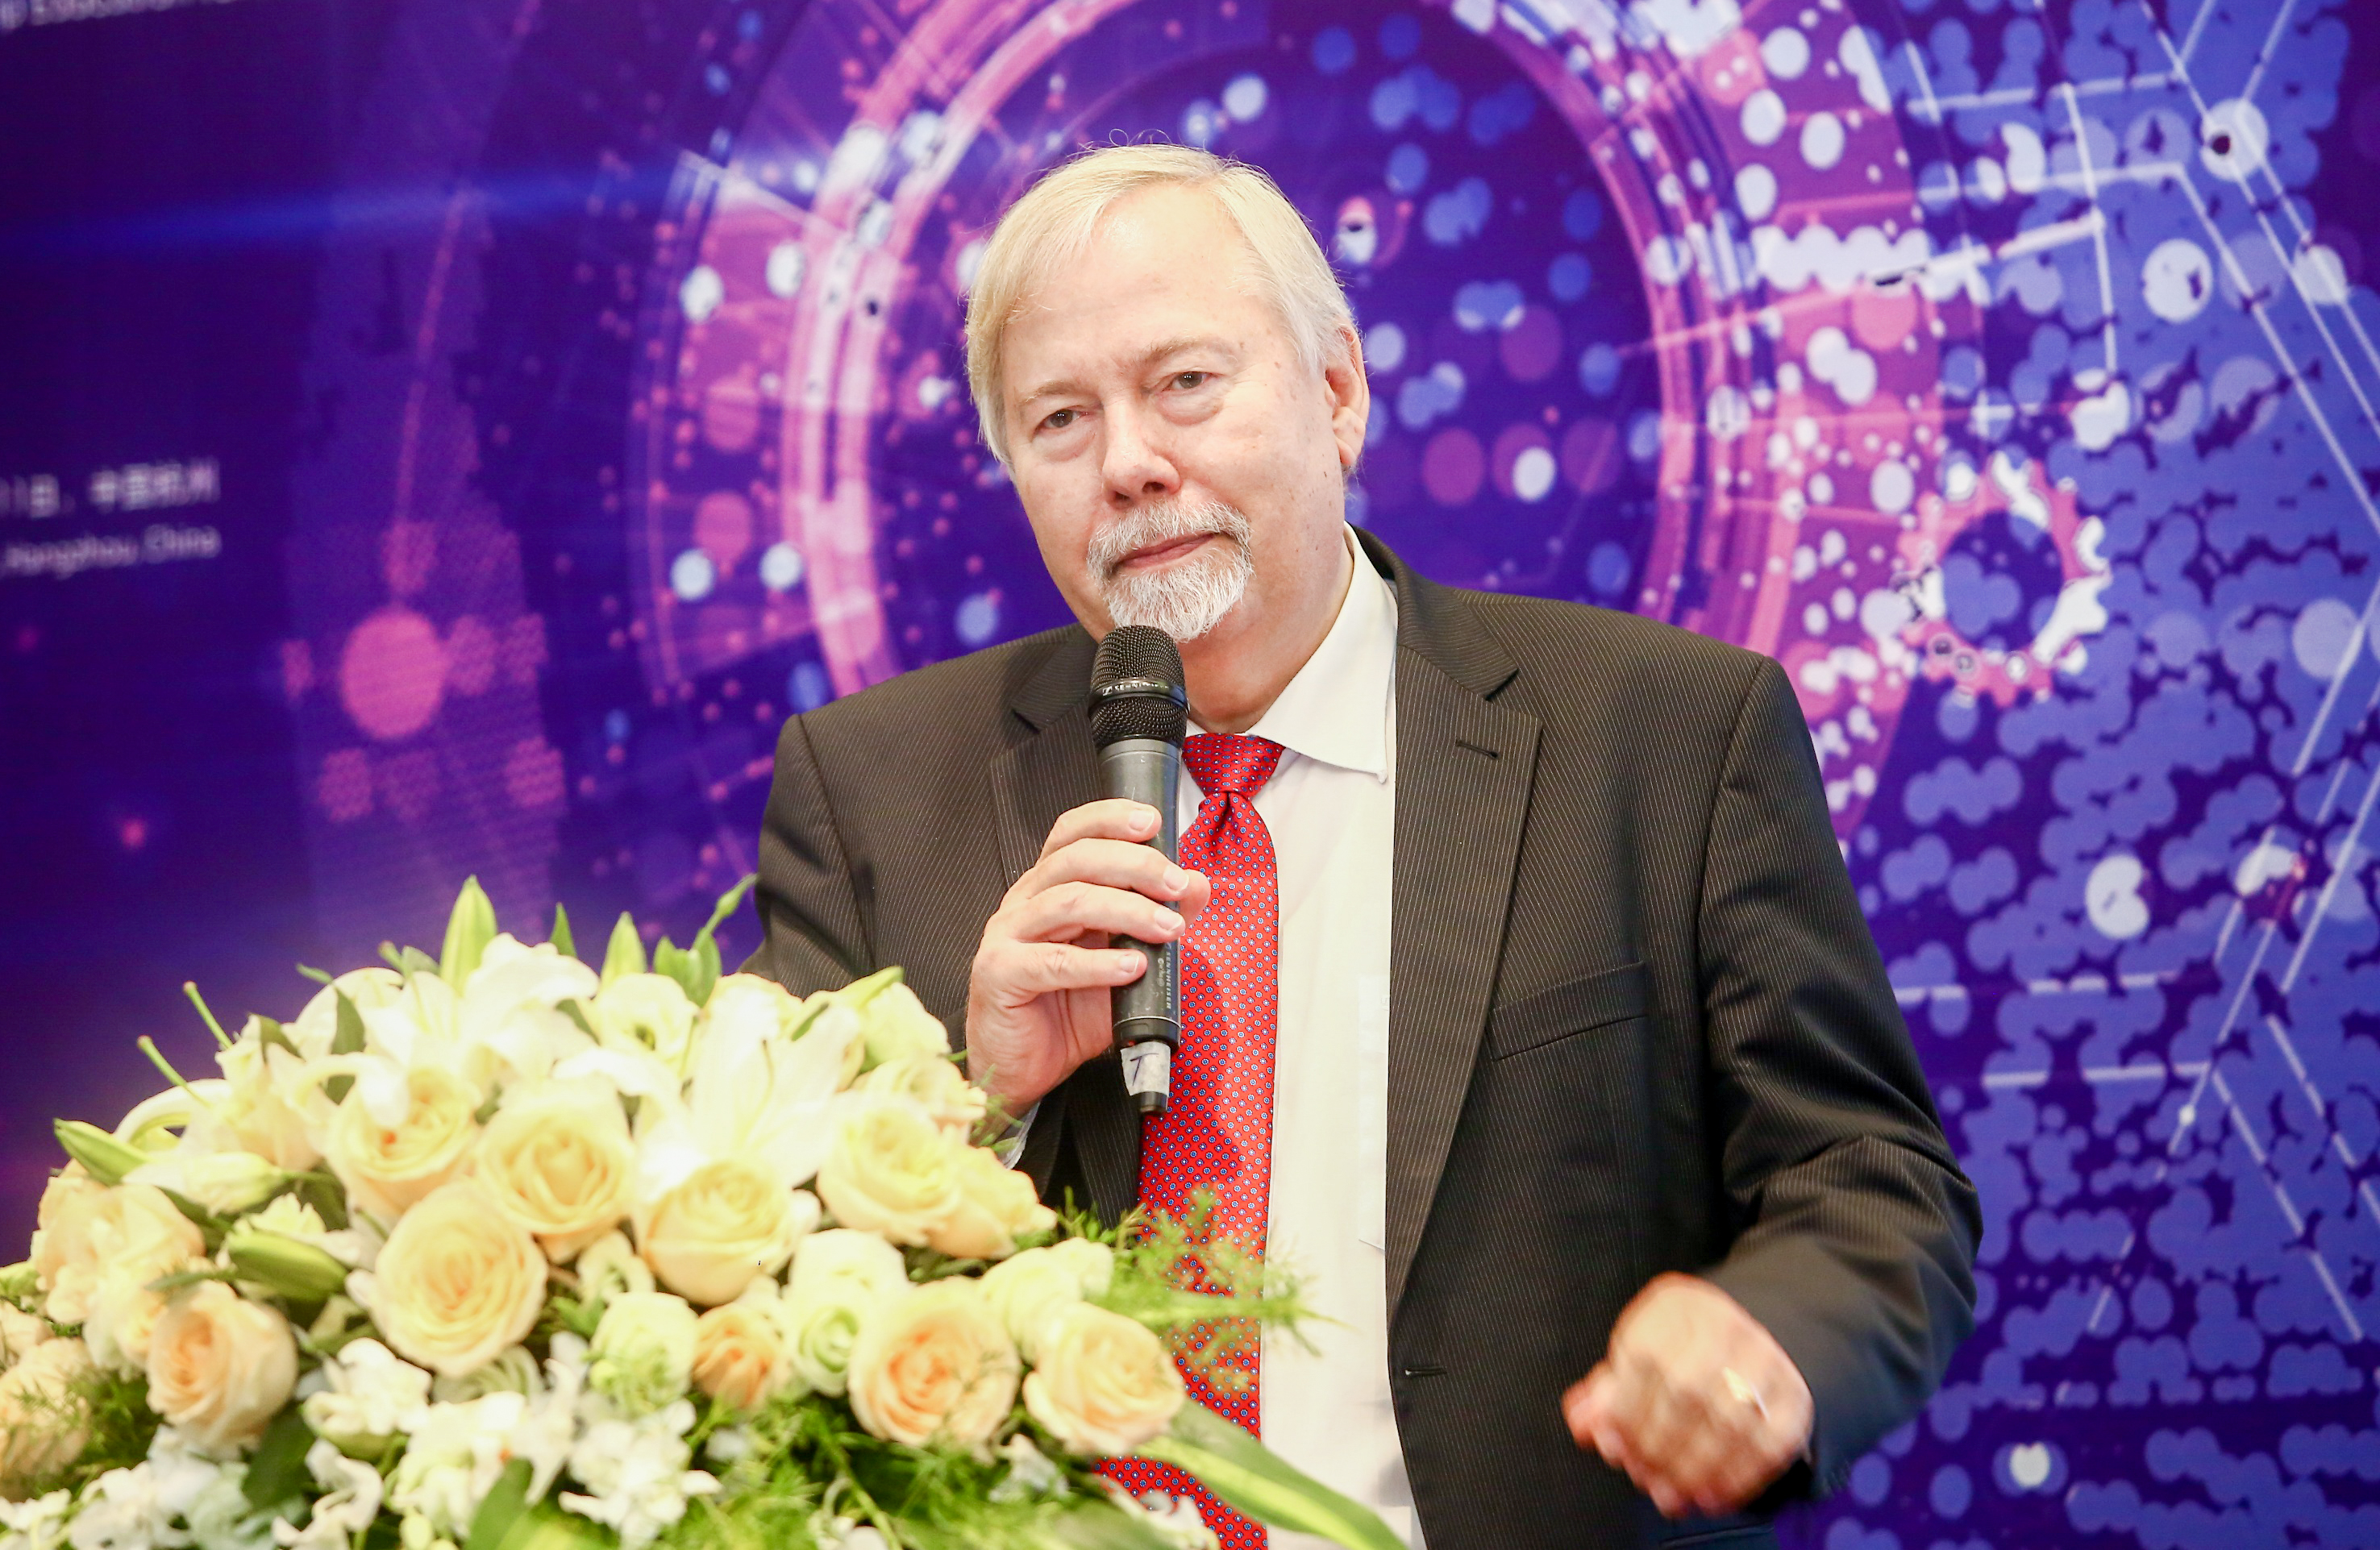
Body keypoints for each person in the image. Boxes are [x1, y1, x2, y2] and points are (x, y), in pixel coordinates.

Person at [749, 143, 1977, 1549]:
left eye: (1186, 383)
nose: (1131, 463)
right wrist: (976, 1103)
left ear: (1337, 392)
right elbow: (759, 1314)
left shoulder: (1664, 737)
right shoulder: (872, 793)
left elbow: (1872, 1182)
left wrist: (1770, 1339)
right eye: (1061, 419)